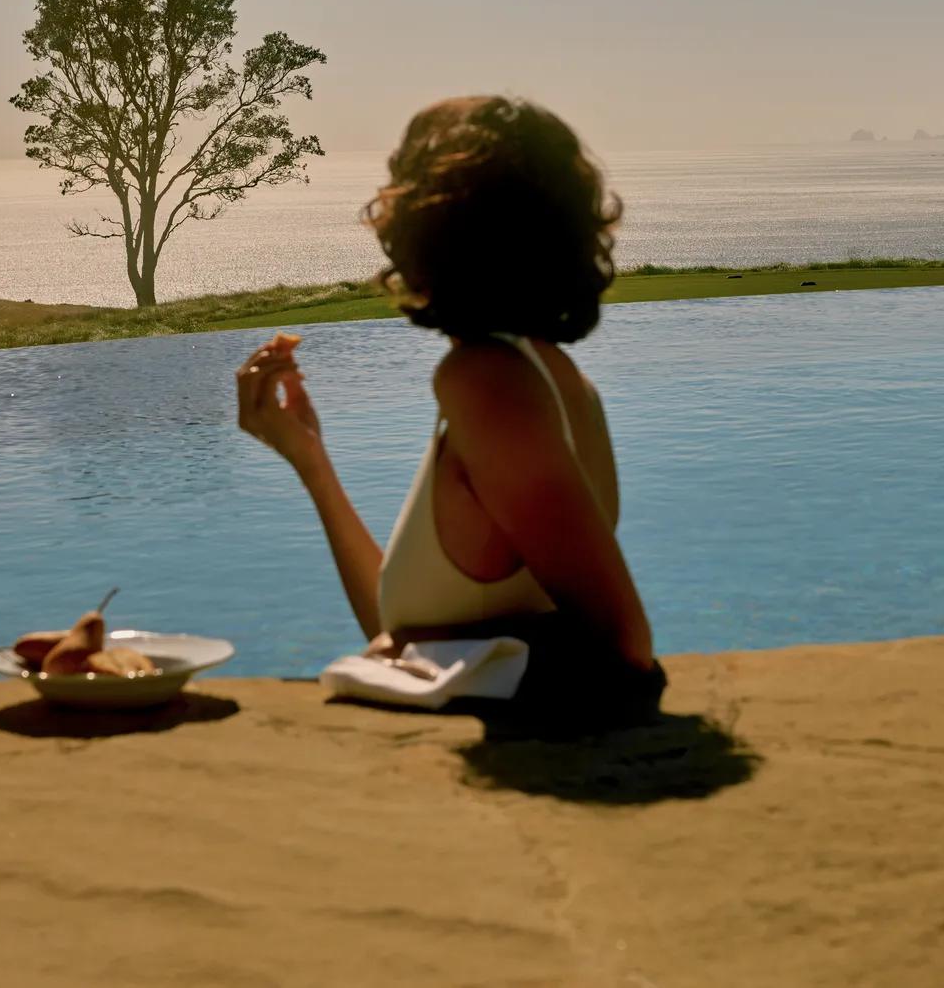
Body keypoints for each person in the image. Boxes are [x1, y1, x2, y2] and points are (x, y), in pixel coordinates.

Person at [235, 96, 661, 715]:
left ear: (431, 227)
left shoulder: (486, 381)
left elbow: (624, 649)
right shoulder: (543, 372)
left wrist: (411, 644)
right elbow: (408, 625)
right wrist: (310, 460)